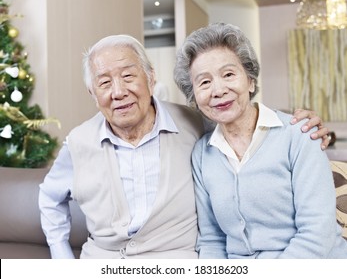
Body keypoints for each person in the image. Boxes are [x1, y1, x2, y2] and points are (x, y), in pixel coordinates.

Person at [39, 34, 330, 259]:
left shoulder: (192, 124)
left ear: (151, 77)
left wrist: (300, 123)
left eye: (128, 76)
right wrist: (62, 257)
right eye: (104, 82)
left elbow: (243, 118)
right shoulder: (78, 143)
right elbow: (49, 197)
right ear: (93, 93)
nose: (118, 92)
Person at [173, 22, 347, 259]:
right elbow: (212, 239)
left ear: (251, 80)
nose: (218, 90)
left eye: (228, 74)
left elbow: (318, 231)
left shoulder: (298, 134)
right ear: (194, 96)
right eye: (204, 82)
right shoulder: (202, 155)